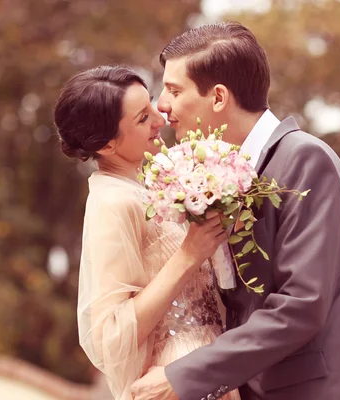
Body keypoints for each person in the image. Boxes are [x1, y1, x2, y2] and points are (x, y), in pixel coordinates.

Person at [130, 21, 340, 400]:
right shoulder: (223, 174)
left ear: (218, 97)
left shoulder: (304, 160)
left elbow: (301, 306)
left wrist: (184, 376)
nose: (162, 107)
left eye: (173, 90)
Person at [54, 66, 240, 400]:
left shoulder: (151, 185)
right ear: (108, 145)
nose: (161, 118)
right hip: (173, 374)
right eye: (142, 118)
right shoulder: (112, 202)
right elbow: (112, 335)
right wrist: (188, 255)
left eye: (152, 104)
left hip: (209, 366)